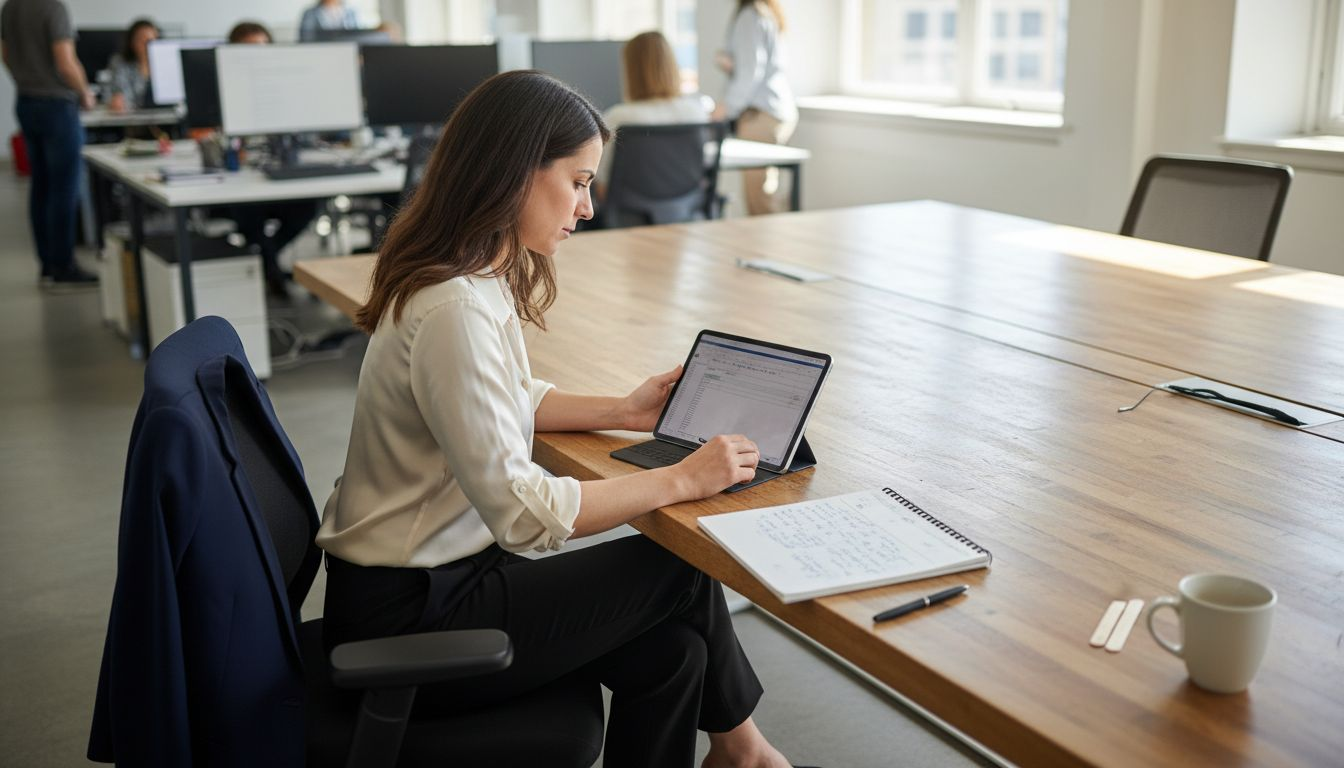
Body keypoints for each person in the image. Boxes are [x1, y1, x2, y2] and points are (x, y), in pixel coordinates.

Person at [316, 70, 795, 768]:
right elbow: (522, 512)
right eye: (578, 182)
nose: (589, 206)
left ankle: (739, 752)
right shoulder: (454, 307)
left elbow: (504, 393)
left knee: (675, 652)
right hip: (409, 619)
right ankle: (746, 752)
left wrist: (623, 411)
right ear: (514, 172)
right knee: (681, 569)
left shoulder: (467, 273)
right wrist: (682, 480)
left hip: (440, 579)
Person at [1, 0, 98, 287]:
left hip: (26, 101)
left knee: (41, 186)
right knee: (64, 189)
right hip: (57, 104)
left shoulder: (11, 7)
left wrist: (27, 78)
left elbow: (5, 54)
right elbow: (65, 62)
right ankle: (63, 267)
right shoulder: (53, 8)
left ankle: (47, 266)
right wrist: (85, 93)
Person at [223, 20, 316, 298]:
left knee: (308, 206)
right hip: (240, 181)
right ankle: (270, 266)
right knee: (246, 211)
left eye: (263, 48)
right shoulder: (224, 87)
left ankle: (265, 260)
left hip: (280, 175)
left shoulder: (284, 86)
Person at [595, 30, 714, 202]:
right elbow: (701, 177)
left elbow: (602, 186)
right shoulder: (696, 112)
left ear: (630, 70)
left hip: (628, 219)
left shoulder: (618, 118)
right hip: (685, 215)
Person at [713, 0, 797, 216]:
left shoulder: (750, 16)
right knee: (767, 193)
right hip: (777, 109)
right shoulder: (767, 13)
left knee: (759, 200)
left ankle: (770, 249)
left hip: (760, 114)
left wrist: (726, 108)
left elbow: (751, 71)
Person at [106, 17, 157, 112]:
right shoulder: (119, 62)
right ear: (131, 42)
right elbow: (121, 96)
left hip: (163, 119)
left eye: (150, 41)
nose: (146, 45)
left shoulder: (165, 65)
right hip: (130, 120)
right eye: (141, 40)